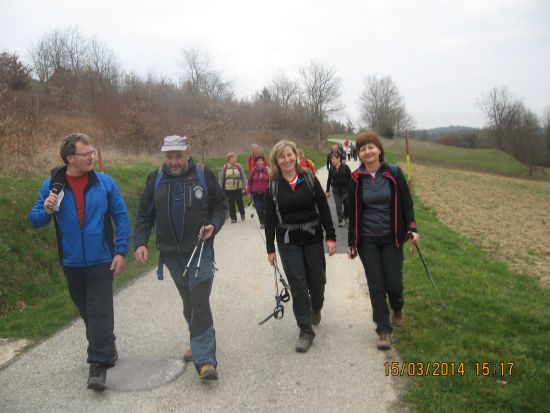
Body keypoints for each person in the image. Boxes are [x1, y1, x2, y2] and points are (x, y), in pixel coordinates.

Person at [28, 132, 131, 391]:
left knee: (98, 310)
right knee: (87, 311)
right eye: (86, 154)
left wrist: (120, 251)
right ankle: (106, 344)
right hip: (71, 262)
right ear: (70, 158)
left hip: (101, 259)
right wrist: (46, 210)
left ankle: (98, 365)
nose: (91, 157)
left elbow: (121, 216)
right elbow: (35, 219)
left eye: (92, 153)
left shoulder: (105, 183)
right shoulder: (53, 186)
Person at [133, 135, 227, 381]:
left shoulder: (203, 175)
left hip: (200, 250)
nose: (174, 161)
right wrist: (140, 242)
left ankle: (205, 361)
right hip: (171, 255)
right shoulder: (155, 179)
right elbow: (144, 215)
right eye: (169, 157)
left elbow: (220, 206)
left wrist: (213, 225)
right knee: (189, 300)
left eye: (178, 156)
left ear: (188, 153)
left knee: (199, 299)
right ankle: (197, 340)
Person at [347, 132, 420, 351]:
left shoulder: (394, 173)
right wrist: (351, 241)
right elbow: (353, 212)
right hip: (367, 241)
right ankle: (383, 329)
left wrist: (412, 228)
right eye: (362, 149)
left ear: (379, 149)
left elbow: (407, 203)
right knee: (376, 284)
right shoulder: (356, 178)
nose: (367, 151)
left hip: (392, 238)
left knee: (394, 284)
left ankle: (397, 307)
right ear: (359, 154)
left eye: (371, 147)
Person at [264, 140, 336, 353]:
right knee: (298, 287)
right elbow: (269, 219)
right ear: (276, 161)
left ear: (296, 156)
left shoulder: (309, 178)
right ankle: (305, 331)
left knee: (318, 283)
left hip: (313, 238)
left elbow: (323, 208)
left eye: (289, 155)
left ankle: (316, 307)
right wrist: (270, 249)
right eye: (282, 156)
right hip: (288, 243)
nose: (287, 159)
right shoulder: (273, 186)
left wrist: (331, 237)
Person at [325, 152, 352, 227]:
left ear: (338, 159)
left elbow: (351, 178)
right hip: (336, 190)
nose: (332, 161)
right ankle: (341, 220)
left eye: (333, 159)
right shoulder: (331, 169)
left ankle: (346, 216)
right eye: (331, 159)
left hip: (346, 190)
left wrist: (352, 188)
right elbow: (329, 179)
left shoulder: (345, 167)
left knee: (347, 205)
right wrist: (327, 191)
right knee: (338, 206)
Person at [220, 152, 247, 223]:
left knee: (239, 200)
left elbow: (243, 176)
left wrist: (246, 185)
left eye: (235, 158)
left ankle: (242, 213)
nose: (235, 159)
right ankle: (233, 218)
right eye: (233, 158)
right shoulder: (225, 167)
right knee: (231, 202)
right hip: (228, 188)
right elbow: (222, 178)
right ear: (229, 159)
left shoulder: (239, 166)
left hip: (238, 187)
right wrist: (219, 188)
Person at [246, 155, 269, 228]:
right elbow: (249, 182)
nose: (260, 162)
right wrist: (249, 191)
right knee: (259, 209)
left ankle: (266, 221)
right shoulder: (253, 170)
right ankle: (262, 222)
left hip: (265, 192)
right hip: (255, 192)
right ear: (256, 162)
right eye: (258, 161)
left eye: (261, 161)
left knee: (265, 208)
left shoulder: (267, 170)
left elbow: (271, 181)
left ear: (263, 162)